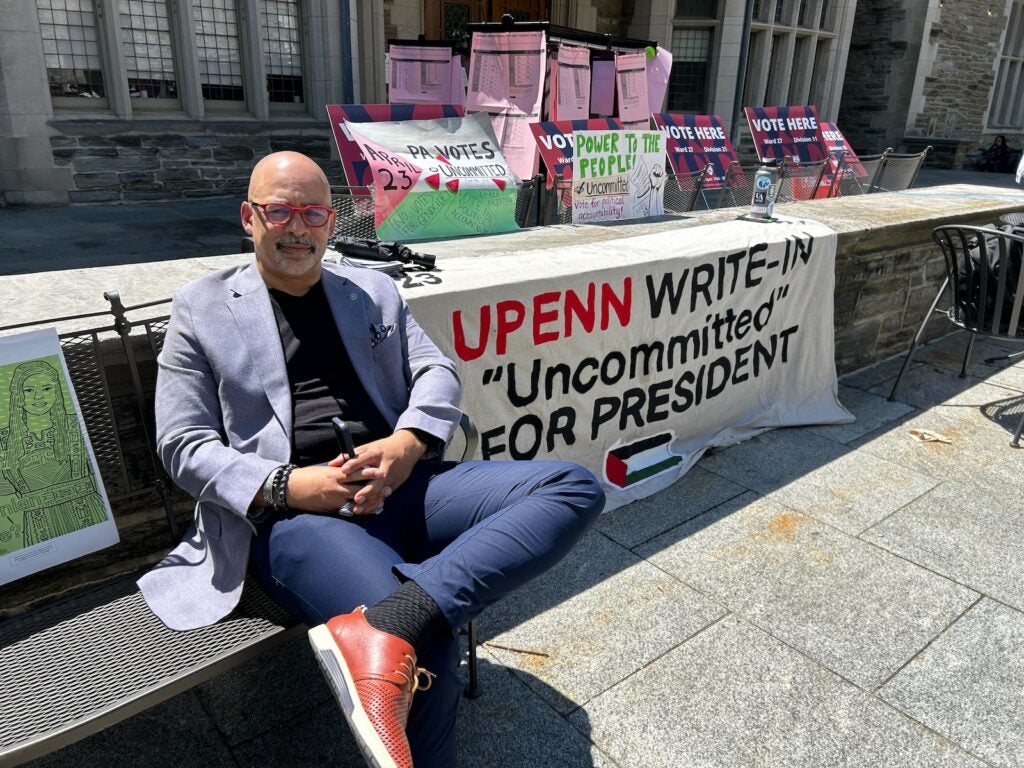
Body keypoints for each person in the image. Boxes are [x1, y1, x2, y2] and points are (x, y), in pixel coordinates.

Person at [137, 151, 605, 767]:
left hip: (403, 483)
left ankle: (400, 613)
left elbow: (435, 369)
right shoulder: (202, 306)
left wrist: (408, 444)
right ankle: (412, 623)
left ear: (332, 222)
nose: (298, 228)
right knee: (427, 648)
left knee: (572, 487)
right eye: (280, 212)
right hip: (298, 520)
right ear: (249, 217)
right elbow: (181, 443)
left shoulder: (372, 289)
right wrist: (287, 485)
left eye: (312, 212)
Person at [0, 359, 106, 552]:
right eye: (29, 390)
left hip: (89, 514)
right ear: (18, 395)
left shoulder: (75, 425)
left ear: (56, 392)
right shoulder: (5, 440)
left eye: (47, 388)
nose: (38, 396)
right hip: (40, 525)